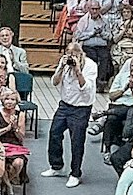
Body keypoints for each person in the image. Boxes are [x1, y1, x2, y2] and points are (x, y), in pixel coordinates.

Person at [41, 41, 96, 187]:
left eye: (74, 54)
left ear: (81, 53)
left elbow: (86, 88)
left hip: (81, 108)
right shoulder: (64, 62)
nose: (71, 56)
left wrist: (78, 70)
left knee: (76, 141)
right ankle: (56, 166)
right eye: (68, 53)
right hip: (64, 105)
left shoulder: (90, 65)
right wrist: (61, 68)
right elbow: (54, 82)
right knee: (54, 132)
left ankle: (75, 173)